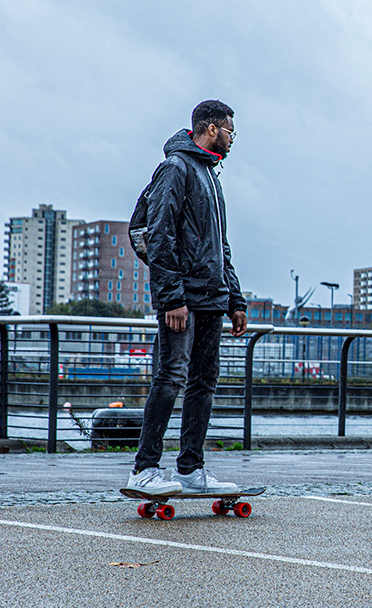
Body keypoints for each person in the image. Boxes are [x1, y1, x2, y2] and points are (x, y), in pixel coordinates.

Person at [125, 100, 248, 496]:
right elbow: (158, 235)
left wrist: (235, 300)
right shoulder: (176, 169)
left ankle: (190, 469)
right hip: (182, 300)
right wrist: (171, 297)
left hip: (212, 297)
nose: (233, 140)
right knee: (170, 376)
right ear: (211, 128)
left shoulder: (211, 176)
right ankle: (143, 469)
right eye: (230, 132)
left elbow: (220, 246)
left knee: (203, 381)